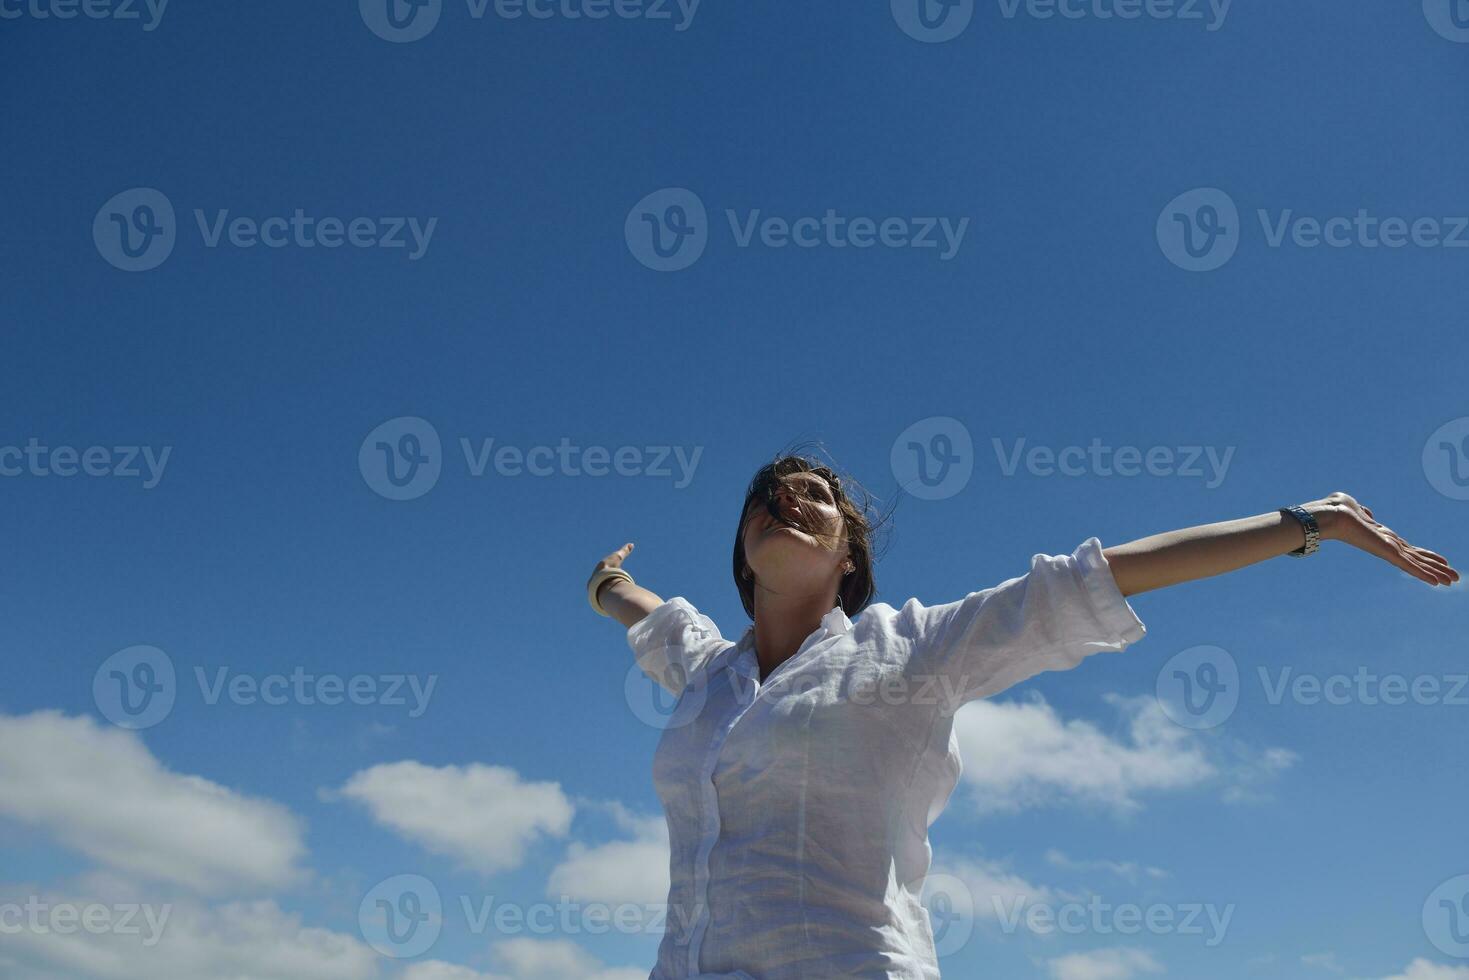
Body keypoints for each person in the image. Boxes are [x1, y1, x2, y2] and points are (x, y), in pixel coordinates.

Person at [586, 454, 1458, 980]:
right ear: (743, 550)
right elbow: (650, 613)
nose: (784, 498)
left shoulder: (911, 650)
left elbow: (1101, 576)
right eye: (763, 498)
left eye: (811, 494)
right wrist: (608, 583)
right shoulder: (708, 674)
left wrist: (1313, 523)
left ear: (848, 552)